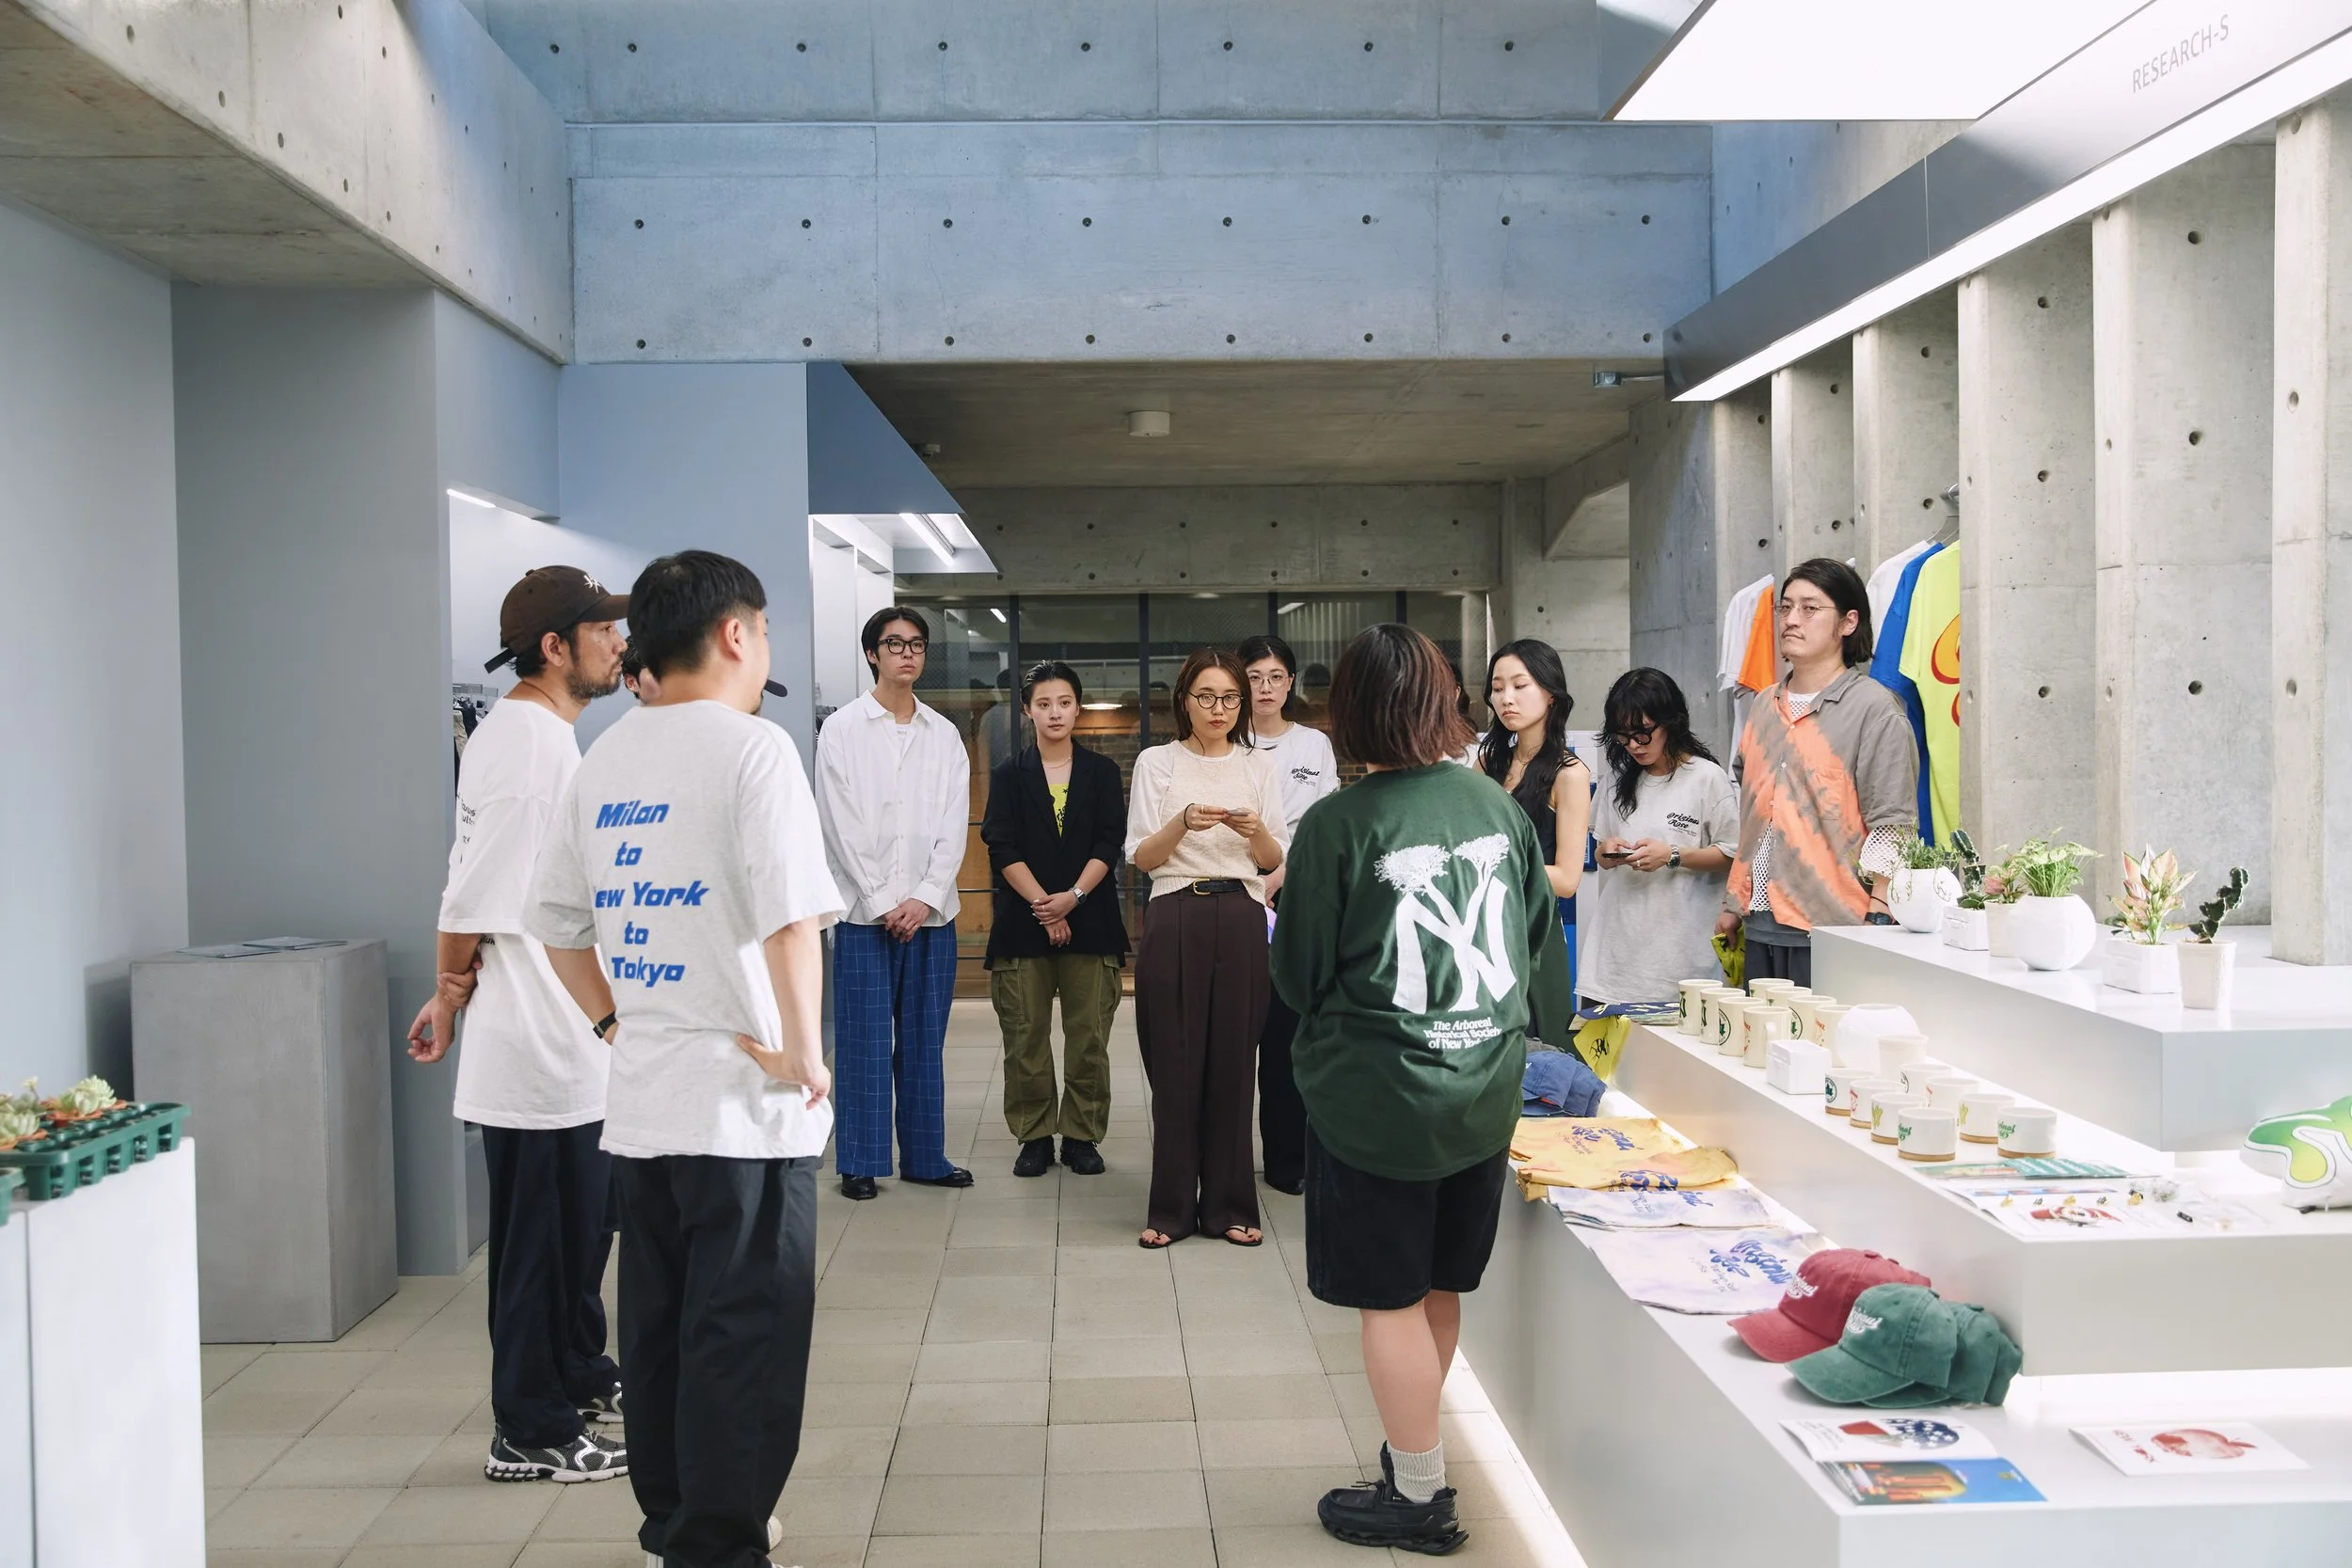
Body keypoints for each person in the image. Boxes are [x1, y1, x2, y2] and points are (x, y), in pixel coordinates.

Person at [525, 549, 844, 1568]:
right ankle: (720, 1542)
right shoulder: (753, 751)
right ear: (737, 634)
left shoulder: (604, 759)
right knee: (742, 1336)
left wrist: (616, 1025)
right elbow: (795, 920)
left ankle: (674, 1524)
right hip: (744, 1110)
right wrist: (804, 1050)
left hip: (646, 1105)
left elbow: (559, 927)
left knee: (658, 1331)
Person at [1271, 625, 1575, 1557]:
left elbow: (1297, 973)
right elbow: (1536, 951)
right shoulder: (1495, 805)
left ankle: (1418, 1493)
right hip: (1481, 1091)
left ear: (1352, 710)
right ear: (1442, 703)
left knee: (1388, 1297)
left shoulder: (1337, 822)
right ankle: (1416, 1450)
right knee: (1437, 1282)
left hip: (1380, 1099)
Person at [407, 565, 630, 1485]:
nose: (622, 642)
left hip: (567, 1038)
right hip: (531, 1041)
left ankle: (577, 1372)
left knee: (584, 1230)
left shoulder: (549, 739)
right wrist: (448, 993)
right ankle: (527, 1428)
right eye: (606, 628)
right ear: (555, 645)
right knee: (539, 1246)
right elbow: (471, 893)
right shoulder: (525, 746)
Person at [1125, 646, 1287, 1248]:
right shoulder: (1157, 763)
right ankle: (1170, 1209)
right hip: (1174, 908)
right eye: (1207, 697)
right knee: (1173, 1063)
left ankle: (1229, 1206)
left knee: (1233, 1064)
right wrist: (1183, 822)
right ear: (1184, 700)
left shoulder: (1258, 765)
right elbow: (1141, 857)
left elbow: (1273, 862)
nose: (1219, 709)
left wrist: (1256, 831)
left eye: (1230, 699)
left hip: (1243, 913)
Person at [813, 606, 976, 1200]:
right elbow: (840, 824)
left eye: (916, 645)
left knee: (924, 1039)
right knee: (861, 1039)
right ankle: (860, 1159)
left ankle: (926, 1158)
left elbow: (953, 823)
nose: (907, 654)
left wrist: (925, 896)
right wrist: (886, 901)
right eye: (894, 644)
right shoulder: (843, 730)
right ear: (872, 654)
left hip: (933, 915)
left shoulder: (945, 734)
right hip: (864, 915)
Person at [1718, 557, 1919, 987]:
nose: (1791, 619)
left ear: (1848, 623)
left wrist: (1879, 914)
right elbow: (1754, 811)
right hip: (1757, 921)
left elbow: (1893, 824)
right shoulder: (1762, 706)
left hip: (1834, 926)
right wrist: (1735, 903)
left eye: (1810, 609)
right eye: (1786, 608)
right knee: (1761, 1050)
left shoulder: (1875, 711)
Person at [981, 660, 1129, 1179]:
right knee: (1025, 1038)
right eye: (1043, 704)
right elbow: (1001, 844)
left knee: (1089, 1038)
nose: (1055, 712)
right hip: (1025, 924)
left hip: (1092, 922)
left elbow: (1109, 841)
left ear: (1078, 707)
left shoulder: (1103, 773)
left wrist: (1073, 897)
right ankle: (1035, 1135)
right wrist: (1047, 907)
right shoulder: (1008, 775)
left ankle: (1083, 1135)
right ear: (1027, 711)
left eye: (1064, 702)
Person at [1236, 633, 1337, 1195]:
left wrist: (1283, 874)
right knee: (1233, 1036)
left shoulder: (1314, 746)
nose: (1265, 688)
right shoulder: (1226, 743)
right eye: (1254, 677)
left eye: (1276, 677)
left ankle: (1287, 1162)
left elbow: (1323, 825)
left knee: (1287, 1035)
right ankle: (1225, 1160)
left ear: (1290, 683)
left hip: (1296, 900)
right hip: (1236, 893)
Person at [1581, 668, 1740, 1007]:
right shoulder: (1616, 779)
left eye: (1642, 734)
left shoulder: (1706, 778)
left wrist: (1672, 855)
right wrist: (1606, 853)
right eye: (1623, 738)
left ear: (1670, 722)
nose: (1633, 746)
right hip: (1614, 960)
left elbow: (1733, 855)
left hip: (1681, 963)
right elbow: (1600, 853)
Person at [1480, 640, 1593, 996]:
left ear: (1551, 695)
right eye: (1497, 689)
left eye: (1519, 685)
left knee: (1539, 1045)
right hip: (1479, 927)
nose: (1505, 698)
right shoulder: (1486, 764)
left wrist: (1487, 867)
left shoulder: (1569, 773)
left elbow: (1567, 879)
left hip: (1533, 932)